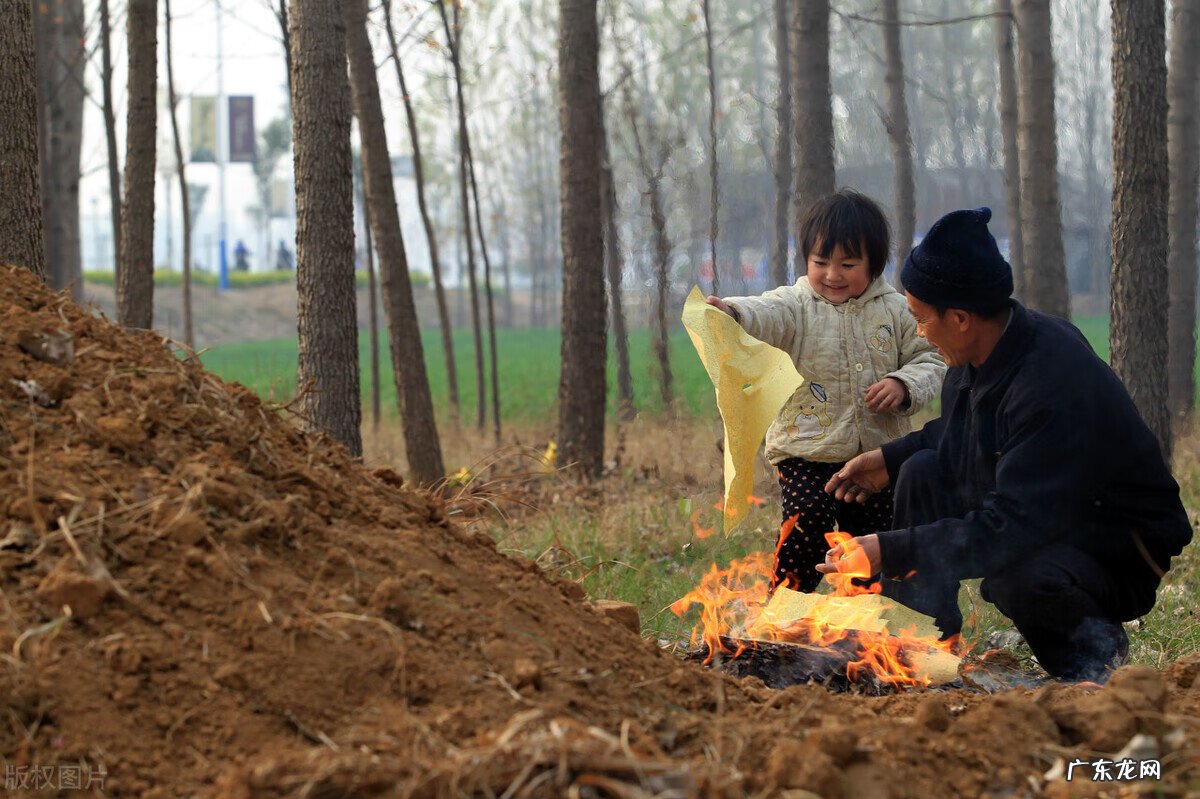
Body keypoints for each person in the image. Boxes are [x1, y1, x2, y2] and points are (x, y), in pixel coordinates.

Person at [819, 207, 1193, 682]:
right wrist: (889, 458)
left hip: (1117, 545)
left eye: (920, 319)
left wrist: (888, 549)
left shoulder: (1050, 384)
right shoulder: (978, 352)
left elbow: (1010, 528)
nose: (919, 332)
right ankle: (919, 643)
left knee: (1016, 576)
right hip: (1048, 513)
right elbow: (965, 435)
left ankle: (1091, 658)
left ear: (959, 318)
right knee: (921, 471)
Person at [706, 189, 946, 592]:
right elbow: (766, 311)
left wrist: (903, 384)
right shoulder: (797, 304)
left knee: (869, 542)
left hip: (873, 459)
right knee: (807, 521)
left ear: (874, 264)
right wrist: (733, 313)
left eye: (848, 264)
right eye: (821, 262)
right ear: (807, 261)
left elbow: (932, 359)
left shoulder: (896, 309)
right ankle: (786, 608)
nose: (832, 275)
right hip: (806, 451)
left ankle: (865, 623)